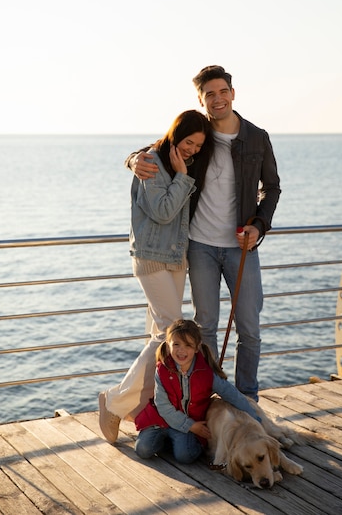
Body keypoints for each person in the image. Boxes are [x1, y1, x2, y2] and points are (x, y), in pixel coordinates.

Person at [128, 66, 281, 403]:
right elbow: (158, 149)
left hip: (242, 248)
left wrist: (258, 226)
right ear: (201, 100)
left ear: (232, 93)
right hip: (199, 247)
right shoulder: (198, 137)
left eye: (222, 91)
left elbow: (271, 188)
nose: (217, 99)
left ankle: (247, 400)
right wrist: (132, 159)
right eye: (209, 94)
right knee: (205, 327)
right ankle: (206, 399)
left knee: (250, 330)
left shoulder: (256, 138)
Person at [99, 109, 214, 443]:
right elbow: (163, 212)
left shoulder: (182, 162)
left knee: (158, 333)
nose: (192, 149)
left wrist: (183, 171)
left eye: (198, 145)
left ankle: (144, 405)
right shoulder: (151, 161)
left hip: (175, 259)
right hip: (151, 258)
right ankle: (115, 401)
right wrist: (180, 175)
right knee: (168, 333)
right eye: (188, 142)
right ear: (175, 135)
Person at [134, 319, 262, 463]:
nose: (181, 350)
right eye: (176, 344)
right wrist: (191, 426)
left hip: (187, 424)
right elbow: (162, 406)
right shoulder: (162, 369)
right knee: (142, 450)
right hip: (161, 419)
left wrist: (256, 419)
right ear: (168, 345)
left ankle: (178, 442)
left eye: (188, 345)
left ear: (197, 348)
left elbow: (232, 395)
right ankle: (168, 440)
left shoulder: (206, 373)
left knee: (185, 456)